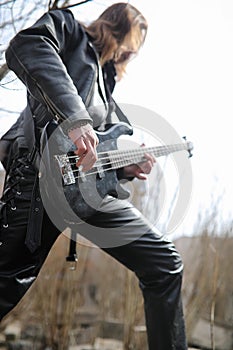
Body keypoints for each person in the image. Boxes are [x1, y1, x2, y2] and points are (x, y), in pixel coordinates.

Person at [0, 2, 187, 349]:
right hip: (39, 180)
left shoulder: (107, 85)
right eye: (133, 40)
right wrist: (76, 118)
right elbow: (27, 45)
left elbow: (97, 151)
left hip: (87, 197)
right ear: (116, 26)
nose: (132, 51)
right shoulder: (68, 30)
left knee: (165, 264)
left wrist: (124, 167)